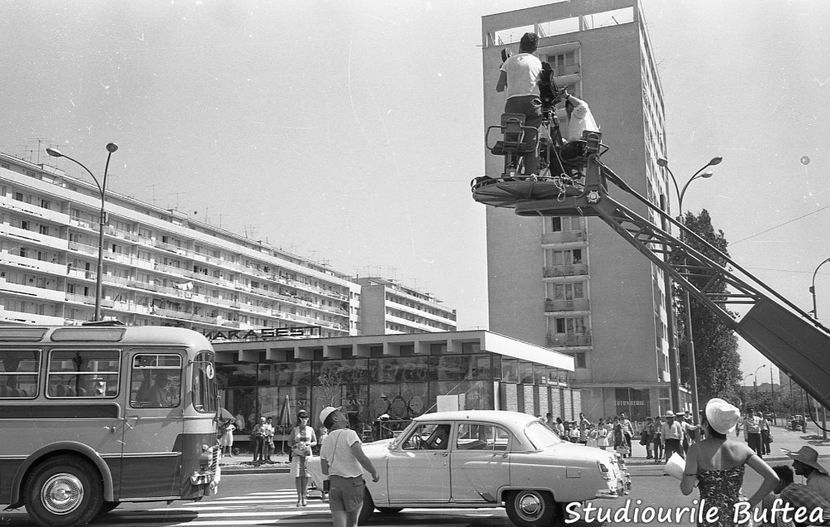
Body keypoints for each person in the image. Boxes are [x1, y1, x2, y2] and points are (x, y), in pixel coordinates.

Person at [680, 398, 779, 527]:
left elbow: (686, 489)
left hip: (711, 516)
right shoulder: (742, 449)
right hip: (739, 513)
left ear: (705, 424)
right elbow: (773, 478)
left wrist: (686, 475)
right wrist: (750, 504)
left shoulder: (696, 450)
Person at [319, 406, 379, 527]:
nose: (344, 415)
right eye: (340, 413)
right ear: (335, 418)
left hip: (334, 484)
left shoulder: (325, 440)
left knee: (339, 522)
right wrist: (374, 472)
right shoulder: (349, 434)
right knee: (352, 522)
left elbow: (324, 469)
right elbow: (361, 457)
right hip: (352, 483)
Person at [495, 32, 543, 176]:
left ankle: (511, 170)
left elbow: (498, 87)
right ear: (534, 48)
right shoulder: (537, 62)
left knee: (511, 139)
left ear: (520, 45)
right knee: (532, 139)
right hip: (533, 102)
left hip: (514, 103)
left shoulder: (508, 62)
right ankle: (530, 174)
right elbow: (539, 82)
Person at [766, 465, 830, 527]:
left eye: (770, 482)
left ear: (780, 481)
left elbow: (787, 523)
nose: (768, 486)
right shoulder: (799, 486)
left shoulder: (785, 494)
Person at [289, 409, 317, 507]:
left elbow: (315, 441)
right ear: (299, 419)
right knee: (298, 477)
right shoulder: (295, 430)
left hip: (307, 454)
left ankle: (305, 497)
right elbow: (289, 442)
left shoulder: (310, 429)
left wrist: (309, 444)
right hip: (297, 455)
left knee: (306, 476)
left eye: (305, 418)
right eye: (302, 418)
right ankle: (299, 498)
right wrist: (295, 446)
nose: (304, 420)